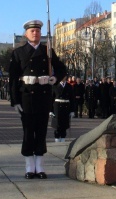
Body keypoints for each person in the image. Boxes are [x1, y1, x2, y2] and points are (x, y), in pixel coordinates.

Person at [9, 19, 66, 179]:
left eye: (38, 31)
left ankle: (39, 166)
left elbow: (61, 68)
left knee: (41, 131)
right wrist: (15, 101)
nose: (36, 33)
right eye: (32, 31)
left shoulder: (47, 51)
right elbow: (13, 79)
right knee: (28, 131)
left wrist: (55, 78)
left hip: (43, 95)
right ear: (26, 34)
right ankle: (29, 166)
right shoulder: (18, 53)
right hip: (26, 96)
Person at [52, 76, 74, 142]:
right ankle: (57, 137)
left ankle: (63, 137)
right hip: (57, 107)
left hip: (66, 106)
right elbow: (51, 99)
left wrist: (72, 110)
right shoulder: (55, 85)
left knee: (64, 123)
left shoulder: (69, 86)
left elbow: (72, 99)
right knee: (57, 123)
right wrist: (50, 110)